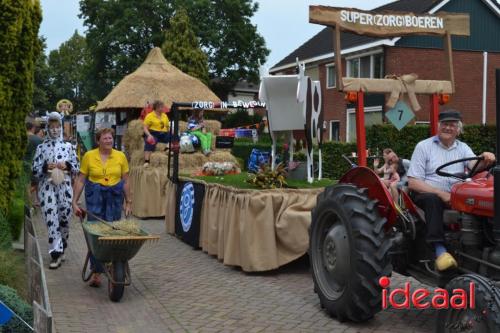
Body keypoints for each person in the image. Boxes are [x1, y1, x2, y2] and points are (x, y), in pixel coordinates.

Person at [407, 109, 495, 271]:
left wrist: (485, 159)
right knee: (433, 200)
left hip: (455, 196)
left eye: (452, 125)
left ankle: (479, 248)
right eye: (444, 124)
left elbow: (474, 167)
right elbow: (413, 182)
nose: (448, 128)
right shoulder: (424, 146)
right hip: (426, 194)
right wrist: (441, 193)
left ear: (458, 129)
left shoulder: (463, 148)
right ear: (438, 127)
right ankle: (439, 250)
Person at [72, 128, 132, 287]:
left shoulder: (120, 156)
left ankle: (113, 265)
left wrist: (129, 202)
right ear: (98, 141)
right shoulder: (89, 156)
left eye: (110, 138)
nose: (109, 141)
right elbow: (80, 180)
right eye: (105, 138)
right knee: (96, 234)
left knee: (112, 232)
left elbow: (125, 180)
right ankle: (97, 272)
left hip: (114, 198)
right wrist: (74, 202)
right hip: (95, 199)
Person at [32, 112, 79, 269]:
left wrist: (68, 166)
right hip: (47, 188)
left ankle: (63, 245)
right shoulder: (41, 147)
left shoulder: (69, 147)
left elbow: (77, 167)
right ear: (47, 129)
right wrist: (45, 167)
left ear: (61, 128)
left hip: (64, 187)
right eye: (51, 127)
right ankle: (55, 254)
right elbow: (35, 170)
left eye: (57, 127)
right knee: (52, 219)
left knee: (64, 218)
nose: (54, 130)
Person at [143, 100, 170, 167]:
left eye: (163, 107)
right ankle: (147, 161)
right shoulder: (149, 116)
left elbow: (167, 126)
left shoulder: (165, 116)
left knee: (175, 137)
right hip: (153, 133)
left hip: (164, 133)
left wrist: (170, 132)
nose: (163, 108)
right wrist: (149, 135)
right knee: (150, 141)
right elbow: (145, 128)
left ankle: (167, 148)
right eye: (161, 107)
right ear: (157, 108)